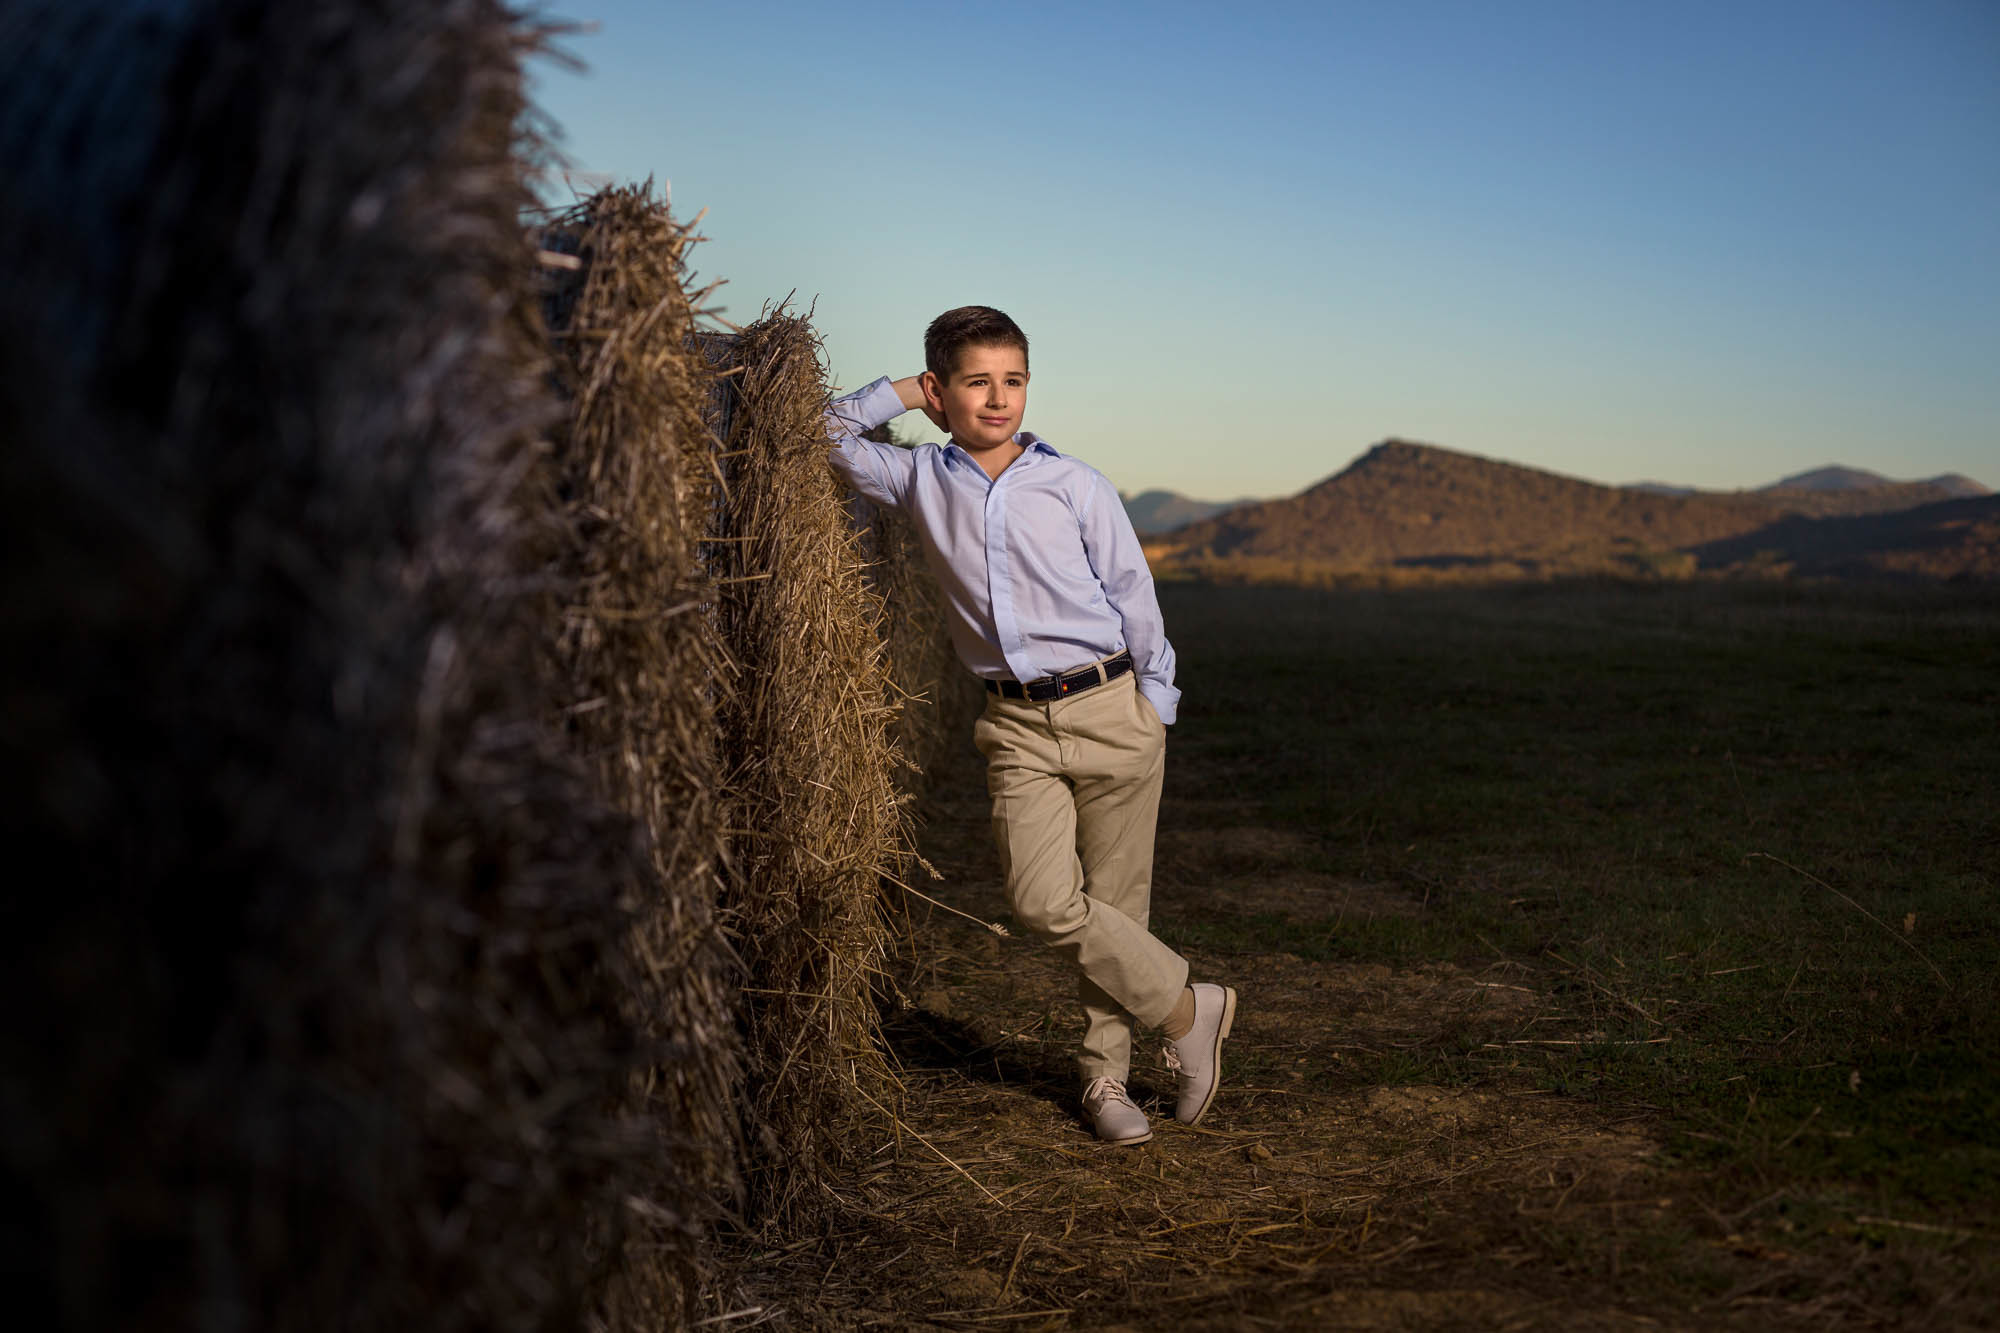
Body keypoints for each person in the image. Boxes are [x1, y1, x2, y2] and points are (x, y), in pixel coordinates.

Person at [822, 304, 1237, 1146]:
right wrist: (906, 389)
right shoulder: (918, 479)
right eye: (976, 382)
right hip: (1014, 725)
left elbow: (1132, 595)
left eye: (1013, 380)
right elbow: (818, 430)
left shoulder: (1074, 483)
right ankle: (1193, 1008)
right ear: (942, 392)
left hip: (1111, 706)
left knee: (1118, 903)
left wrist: (1155, 703)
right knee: (1043, 899)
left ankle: (1105, 1079)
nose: (999, 398)